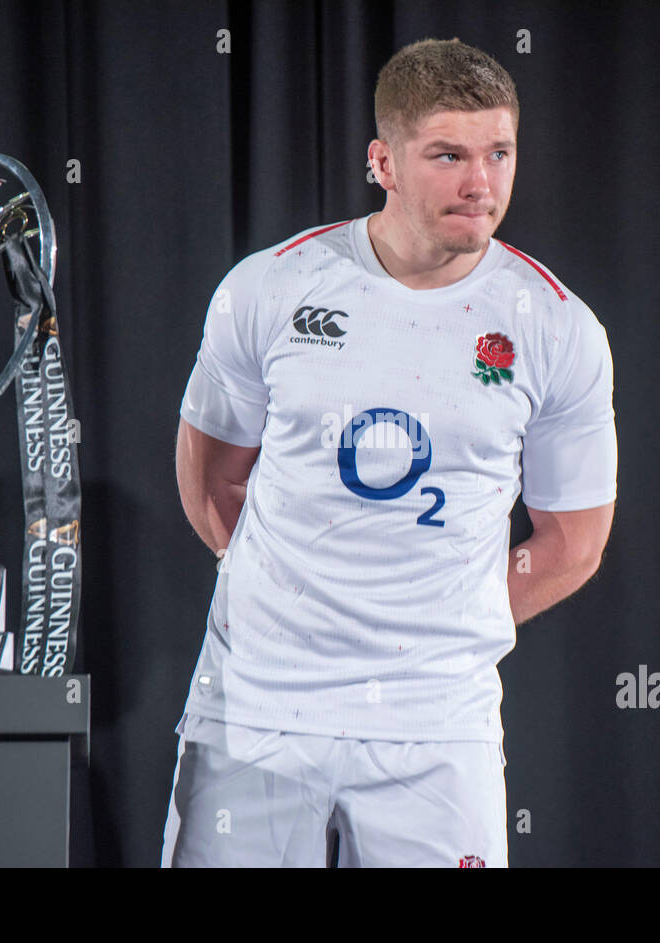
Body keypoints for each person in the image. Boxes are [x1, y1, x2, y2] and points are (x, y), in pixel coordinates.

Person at [162, 37, 616, 867]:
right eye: (448, 155)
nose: (480, 184)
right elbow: (213, 477)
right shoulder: (268, 288)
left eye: (499, 153)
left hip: (436, 721)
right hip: (260, 704)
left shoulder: (557, 326)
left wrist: (440, 625)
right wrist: (294, 596)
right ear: (385, 161)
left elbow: (573, 540)